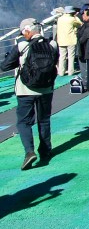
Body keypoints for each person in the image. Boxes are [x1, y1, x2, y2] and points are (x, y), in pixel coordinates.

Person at [1, 18, 59, 170]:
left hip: (25, 90)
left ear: (27, 30)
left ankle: (29, 151)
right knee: (44, 119)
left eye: (23, 32)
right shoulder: (52, 44)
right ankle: (46, 150)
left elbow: (5, 65)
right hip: (46, 89)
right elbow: (54, 62)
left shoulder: (21, 45)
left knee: (24, 122)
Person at [55, 5, 82, 76]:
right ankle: (71, 72)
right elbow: (80, 24)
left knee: (62, 57)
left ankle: (61, 72)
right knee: (71, 56)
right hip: (71, 40)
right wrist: (75, 16)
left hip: (61, 40)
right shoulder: (72, 19)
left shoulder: (59, 19)